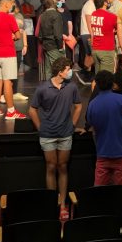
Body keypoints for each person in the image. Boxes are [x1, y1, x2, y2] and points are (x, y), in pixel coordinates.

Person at [28, 57, 83, 220]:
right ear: (60, 71)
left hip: (65, 134)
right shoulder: (43, 88)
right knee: (51, 167)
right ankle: (53, 202)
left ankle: (63, 203)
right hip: (48, 135)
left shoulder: (71, 87)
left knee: (63, 167)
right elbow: (32, 110)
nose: (70, 72)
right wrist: (40, 128)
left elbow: (78, 106)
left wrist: (72, 124)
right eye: (68, 69)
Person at [85, 70, 122, 186]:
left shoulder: (93, 104)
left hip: (102, 154)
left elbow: (93, 131)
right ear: (112, 82)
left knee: (100, 192)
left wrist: (98, 148)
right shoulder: (121, 100)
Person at [0, 0, 24, 118]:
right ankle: (11, 111)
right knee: (8, 82)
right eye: (11, 3)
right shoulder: (9, 18)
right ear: (5, 4)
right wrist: (14, 36)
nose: (12, 6)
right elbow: (18, 35)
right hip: (7, 53)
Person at [90, 0, 118, 75]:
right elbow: (118, 29)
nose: (109, 2)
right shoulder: (112, 16)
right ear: (105, 3)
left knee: (98, 77)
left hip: (95, 49)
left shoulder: (93, 14)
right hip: (107, 50)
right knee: (107, 79)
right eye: (108, 0)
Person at [38, 0, 64, 80]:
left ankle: (48, 89)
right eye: (58, 1)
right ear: (54, 3)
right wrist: (60, 47)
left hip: (46, 45)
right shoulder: (56, 15)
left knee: (48, 69)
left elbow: (40, 34)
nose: (59, 2)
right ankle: (57, 90)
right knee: (58, 68)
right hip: (54, 45)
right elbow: (58, 34)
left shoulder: (43, 15)